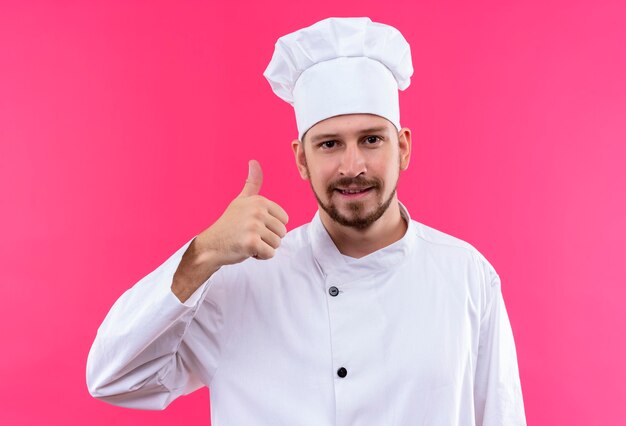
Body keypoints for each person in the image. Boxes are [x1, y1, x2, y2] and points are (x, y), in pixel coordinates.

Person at [86, 17, 527, 425]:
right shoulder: (242, 283)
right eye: (329, 144)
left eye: (371, 139)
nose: (352, 165)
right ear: (301, 158)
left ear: (404, 148)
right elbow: (112, 377)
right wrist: (202, 254)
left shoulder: (467, 276)